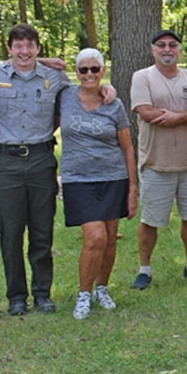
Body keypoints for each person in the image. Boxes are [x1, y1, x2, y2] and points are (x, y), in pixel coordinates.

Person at [0, 24, 74, 315]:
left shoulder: (55, 76)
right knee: (10, 232)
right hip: (6, 162)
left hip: (41, 160)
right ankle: (17, 297)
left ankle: (42, 294)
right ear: (9, 48)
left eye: (29, 45)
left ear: (37, 48)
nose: (24, 51)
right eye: (18, 45)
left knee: (41, 230)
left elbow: (76, 101)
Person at [130, 29, 187, 290]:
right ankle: (144, 269)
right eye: (161, 45)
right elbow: (144, 111)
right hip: (156, 162)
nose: (167, 49)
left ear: (179, 49)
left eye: (172, 45)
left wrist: (177, 118)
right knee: (150, 219)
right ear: (153, 50)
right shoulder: (142, 77)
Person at [59, 49, 137, 320]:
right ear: (76, 72)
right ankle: (83, 294)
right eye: (83, 70)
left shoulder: (113, 104)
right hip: (78, 179)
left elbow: (127, 148)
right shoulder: (65, 96)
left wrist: (132, 188)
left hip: (113, 177)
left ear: (103, 71)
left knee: (110, 240)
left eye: (95, 69)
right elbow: (38, 65)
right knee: (95, 238)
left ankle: (101, 288)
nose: (89, 74)